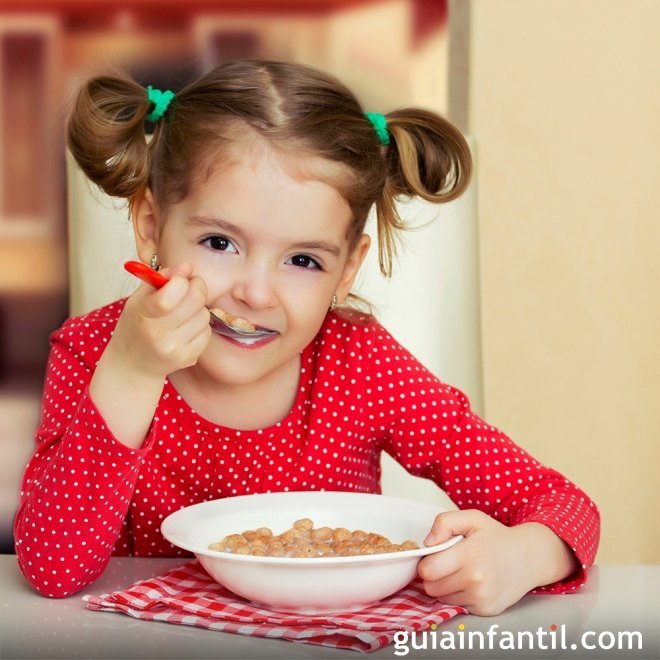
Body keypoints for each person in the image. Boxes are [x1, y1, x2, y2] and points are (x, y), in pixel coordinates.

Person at [14, 59, 599, 613]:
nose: (257, 293)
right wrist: (131, 370)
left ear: (346, 269)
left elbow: (566, 506)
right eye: (220, 243)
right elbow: (52, 567)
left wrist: (525, 555)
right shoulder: (96, 352)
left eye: (303, 260)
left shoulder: (361, 365)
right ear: (150, 228)